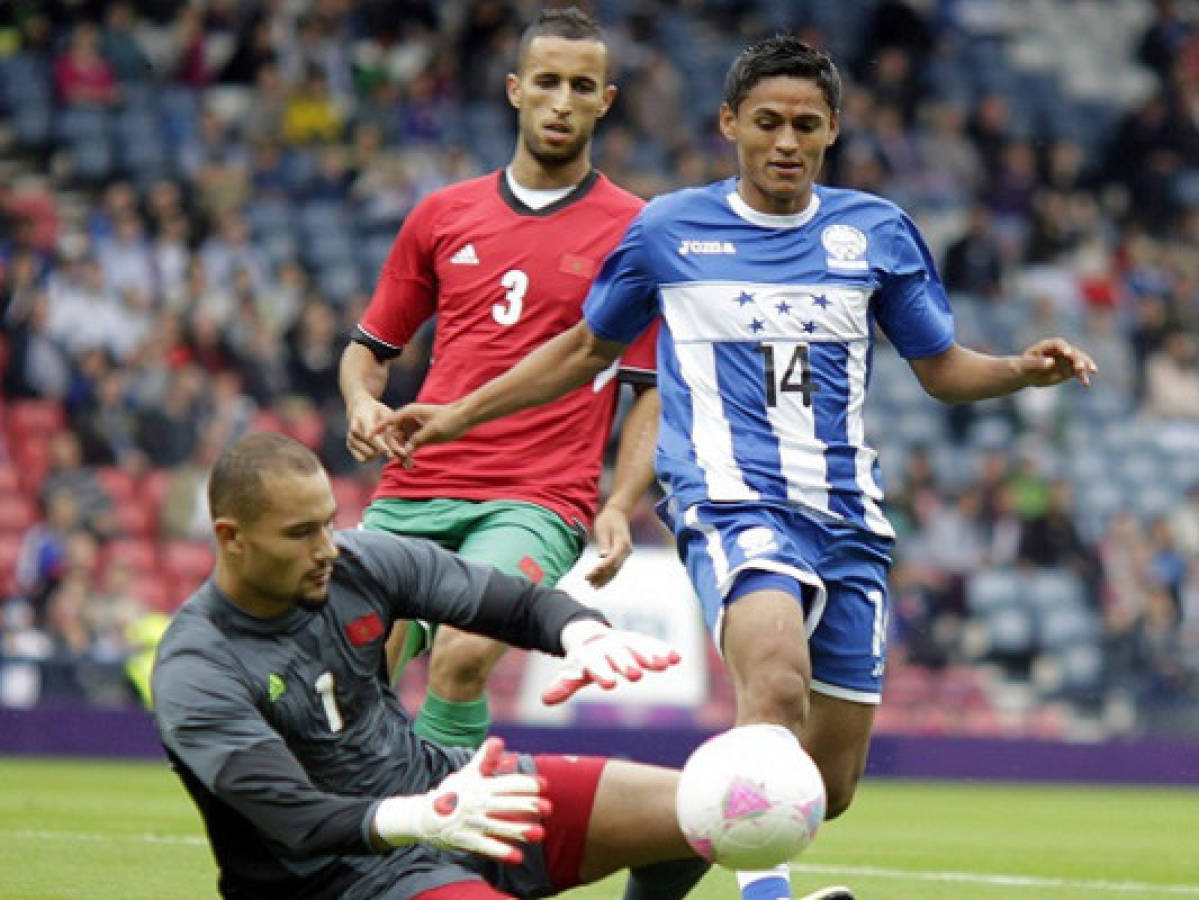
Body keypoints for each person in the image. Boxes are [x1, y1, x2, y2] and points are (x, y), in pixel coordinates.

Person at [370, 36, 1097, 900]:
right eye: (766, 123)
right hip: (728, 501)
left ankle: (660, 828)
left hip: (847, 520)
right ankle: (768, 898)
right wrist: (452, 413)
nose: (784, 142)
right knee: (775, 678)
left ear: (831, 130)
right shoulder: (669, 228)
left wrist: (1020, 368)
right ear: (729, 125)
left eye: (804, 125)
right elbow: (582, 350)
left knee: (822, 791)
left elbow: (939, 370)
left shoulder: (876, 232)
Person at [152, 432, 711, 900]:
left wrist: (581, 632)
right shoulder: (196, 667)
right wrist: (424, 817)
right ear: (231, 538)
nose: (326, 548)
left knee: (707, 810)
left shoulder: (358, 564)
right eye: (301, 534)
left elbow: (511, 603)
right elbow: (298, 822)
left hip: (450, 789)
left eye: (326, 523)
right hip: (340, 876)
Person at [338, 6, 659, 751]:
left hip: (535, 495)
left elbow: (648, 387)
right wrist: (361, 400)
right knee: (360, 662)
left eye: (582, 86)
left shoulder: (637, 233)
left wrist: (620, 502)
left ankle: (443, 841)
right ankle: (366, 841)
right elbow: (369, 346)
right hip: (415, 484)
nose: (562, 100)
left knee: (463, 652)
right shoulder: (441, 215)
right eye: (546, 81)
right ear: (515, 89)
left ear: (605, 101)